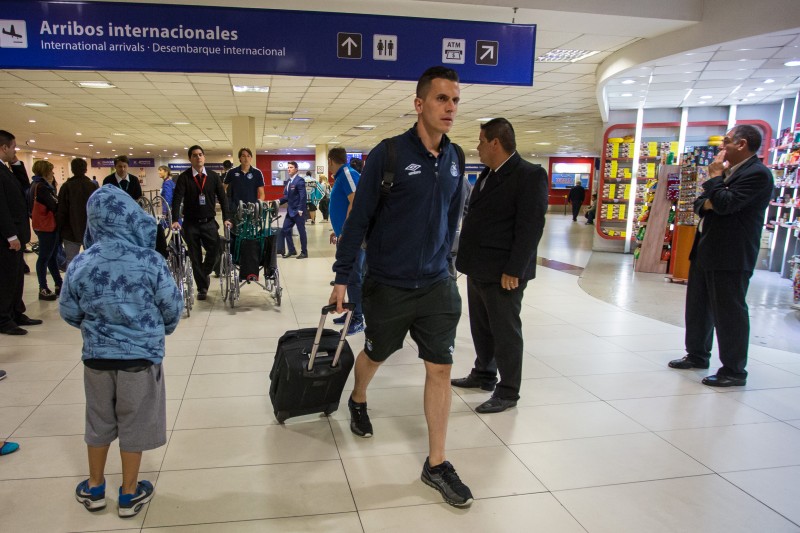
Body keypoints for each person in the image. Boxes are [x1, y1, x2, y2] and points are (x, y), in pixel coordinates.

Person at [329, 66, 472, 508]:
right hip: (387, 284)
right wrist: (341, 275)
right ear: (419, 104)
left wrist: (446, 266)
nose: (450, 108)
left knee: (440, 368)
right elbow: (359, 220)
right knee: (376, 353)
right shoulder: (388, 154)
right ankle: (358, 396)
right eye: (441, 99)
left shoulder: (455, 158)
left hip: (434, 285)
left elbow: (452, 217)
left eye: (454, 100)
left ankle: (436, 463)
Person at [60, 185, 183, 518]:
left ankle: (95, 487)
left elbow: (69, 311)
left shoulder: (81, 262)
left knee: (98, 421)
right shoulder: (149, 261)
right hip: (140, 360)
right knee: (136, 423)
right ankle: (129, 494)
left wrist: (97, 329)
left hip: (97, 360)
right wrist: (157, 331)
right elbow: (172, 306)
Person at [450, 118, 548, 413]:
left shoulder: (529, 175)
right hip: (479, 267)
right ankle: (484, 373)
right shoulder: (487, 174)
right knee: (481, 327)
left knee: (505, 331)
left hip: (504, 272)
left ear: (495, 142)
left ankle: (508, 391)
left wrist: (514, 269)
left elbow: (531, 227)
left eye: (481, 141)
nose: (477, 148)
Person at [669, 125, 773, 387]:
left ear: (742, 144)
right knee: (698, 307)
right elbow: (700, 204)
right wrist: (715, 194)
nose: (721, 147)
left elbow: (726, 205)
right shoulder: (729, 173)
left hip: (732, 255)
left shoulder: (758, 174)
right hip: (706, 249)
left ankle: (734, 370)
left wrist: (715, 181)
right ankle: (697, 354)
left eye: (726, 141)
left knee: (729, 312)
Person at [171, 145, 232, 301]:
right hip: (191, 223)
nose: (198, 157)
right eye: (194, 155)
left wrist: (227, 218)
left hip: (209, 222)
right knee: (195, 256)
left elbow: (223, 199)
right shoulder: (184, 177)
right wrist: (175, 220)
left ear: (204, 157)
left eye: (200, 155)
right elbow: (177, 199)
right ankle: (202, 288)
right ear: (190, 159)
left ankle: (204, 271)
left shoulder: (213, 176)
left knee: (216, 248)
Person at [0, 130, 42, 336]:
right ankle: (3, 318)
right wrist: (10, 235)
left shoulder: (5, 168)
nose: (15, 150)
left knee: (17, 276)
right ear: (4, 147)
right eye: (13, 147)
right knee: (6, 279)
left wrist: (16, 163)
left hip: (17, 232)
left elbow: (23, 187)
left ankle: (17, 312)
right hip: (6, 237)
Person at [327, 147, 365, 335]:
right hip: (345, 235)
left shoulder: (348, 173)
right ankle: (351, 311)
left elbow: (355, 200)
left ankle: (358, 318)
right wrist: (337, 231)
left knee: (354, 277)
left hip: (354, 238)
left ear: (330, 161)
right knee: (349, 277)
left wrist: (348, 232)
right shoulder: (342, 177)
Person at [30, 160, 64, 301]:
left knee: (51, 256)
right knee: (45, 257)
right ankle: (43, 287)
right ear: (45, 171)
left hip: (44, 226)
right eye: (51, 170)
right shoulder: (42, 187)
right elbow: (54, 205)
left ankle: (58, 283)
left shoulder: (35, 185)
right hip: (47, 227)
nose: (53, 172)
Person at [57, 158, 99, 269]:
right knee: (92, 259)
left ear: (72, 169)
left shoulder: (66, 186)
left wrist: (59, 230)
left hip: (70, 230)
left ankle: (71, 284)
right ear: (85, 169)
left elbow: (61, 210)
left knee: (71, 261)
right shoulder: (92, 186)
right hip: (90, 230)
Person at [277, 161, 308, 259]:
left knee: (301, 231)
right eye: (288, 167)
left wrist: (300, 209)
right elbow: (286, 197)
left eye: (291, 167)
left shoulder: (300, 180)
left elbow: (303, 196)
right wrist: (277, 201)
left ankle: (304, 252)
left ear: (296, 169)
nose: (289, 169)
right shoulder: (289, 181)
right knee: (285, 230)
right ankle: (292, 250)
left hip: (298, 212)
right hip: (290, 212)